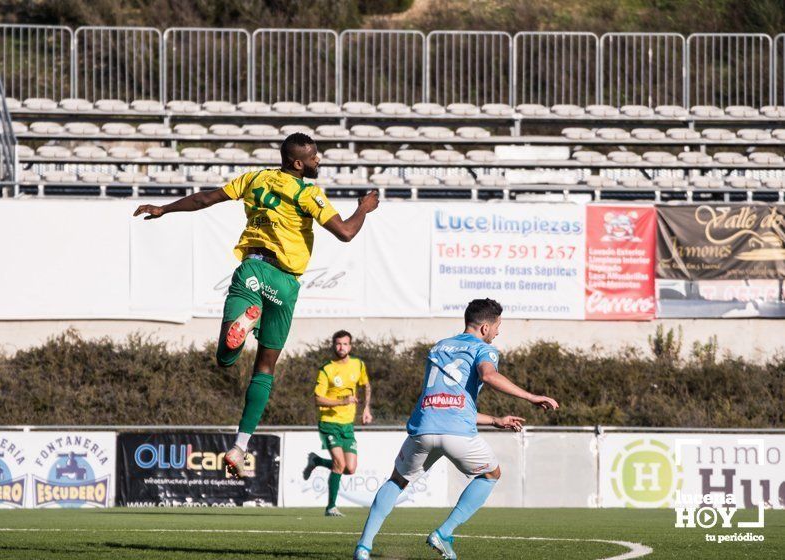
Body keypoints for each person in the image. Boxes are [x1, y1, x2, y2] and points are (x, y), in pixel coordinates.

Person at [133, 133, 379, 477]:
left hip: (254, 269)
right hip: (287, 284)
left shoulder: (255, 178)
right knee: (264, 369)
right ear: (298, 163)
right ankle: (239, 446)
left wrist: (164, 208)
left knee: (225, 358)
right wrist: (364, 208)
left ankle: (243, 324)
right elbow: (347, 232)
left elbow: (206, 199)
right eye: (313, 157)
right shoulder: (309, 194)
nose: (318, 161)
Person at [353, 298, 559, 560]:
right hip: (457, 433)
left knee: (397, 480)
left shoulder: (439, 347)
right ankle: (444, 532)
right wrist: (531, 397)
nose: (498, 332)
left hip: (424, 428)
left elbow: (448, 402)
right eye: (497, 326)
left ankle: (363, 547)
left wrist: (496, 420)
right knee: (491, 474)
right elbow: (488, 375)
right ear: (485, 328)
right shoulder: (483, 349)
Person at [301, 330, 373, 516]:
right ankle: (330, 507)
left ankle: (316, 460)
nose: (342, 347)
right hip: (329, 422)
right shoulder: (327, 369)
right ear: (334, 345)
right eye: (338, 344)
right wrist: (343, 401)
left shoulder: (358, 365)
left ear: (351, 346)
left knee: (350, 468)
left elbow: (366, 386)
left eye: (345, 344)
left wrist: (366, 409)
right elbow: (318, 399)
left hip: (347, 425)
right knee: (339, 464)